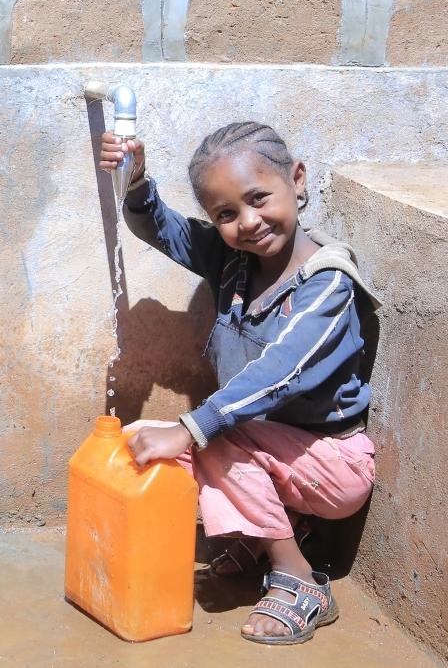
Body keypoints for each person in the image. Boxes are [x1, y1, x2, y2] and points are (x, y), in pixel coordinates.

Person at [99, 122, 379, 646]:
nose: (248, 223)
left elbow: (282, 372)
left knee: (206, 432)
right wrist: (136, 182)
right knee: (147, 438)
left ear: (297, 180)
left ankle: (297, 576)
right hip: (272, 453)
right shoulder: (234, 261)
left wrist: (191, 427)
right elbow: (162, 229)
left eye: (258, 199)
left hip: (333, 465)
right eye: (226, 214)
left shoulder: (327, 284)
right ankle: (267, 532)